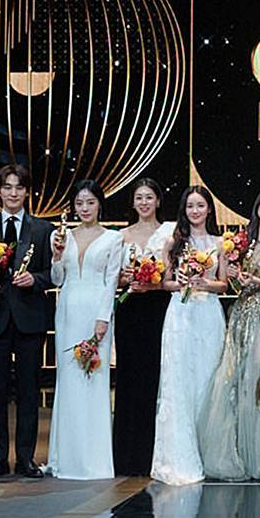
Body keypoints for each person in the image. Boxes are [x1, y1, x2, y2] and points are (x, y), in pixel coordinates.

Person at [0, 164, 55, 481]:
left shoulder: (43, 231)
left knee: (29, 392)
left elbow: (55, 273)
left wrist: (36, 279)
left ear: (27, 192)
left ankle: (26, 459)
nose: (14, 193)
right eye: (7, 187)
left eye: (19, 187)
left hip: (30, 319)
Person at [200, 186, 260, 481]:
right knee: (236, 377)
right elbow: (234, 279)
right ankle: (239, 450)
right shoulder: (245, 239)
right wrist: (234, 271)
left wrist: (257, 280)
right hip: (242, 311)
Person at [44, 181, 122, 480]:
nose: (85, 208)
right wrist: (55, 256)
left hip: (96, 311)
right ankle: (65, 458)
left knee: (93, 378)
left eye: (90, 202)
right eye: (79, 203)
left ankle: (93, 460)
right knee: (68, 380)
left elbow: (111, 281)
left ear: (99, 204)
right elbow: (57, 279)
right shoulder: (60, 236)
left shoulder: (113, 238)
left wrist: (103, 318)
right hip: (67, 310)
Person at [152, 186, 228, 485]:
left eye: (200, 205)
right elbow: (165, 283)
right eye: (190, 206)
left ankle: (209, 452)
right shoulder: (174, 242)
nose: (195, 211)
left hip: (208, 313)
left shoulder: (219, 243)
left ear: (209, 209)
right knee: (180, 381)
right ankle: (179, 455)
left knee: (209, 379)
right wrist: (180, 281)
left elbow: (224, 284)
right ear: (183, 210)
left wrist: (205, 283)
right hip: (181, 315)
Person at [113, 178, 170, 476]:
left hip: (158, 308)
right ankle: (125, 455)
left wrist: (154, 282)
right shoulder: (120, 236)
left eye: (149, 197)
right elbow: (112, 278)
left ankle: (150, 455)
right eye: (139, 198)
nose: (144, 203)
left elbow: (174, 275)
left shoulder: (171, 232)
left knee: (155, 377)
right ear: (133, 203)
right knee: (128, 378)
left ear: (158, 201)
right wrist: (124, 278)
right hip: (129, 308)